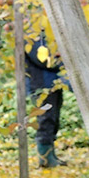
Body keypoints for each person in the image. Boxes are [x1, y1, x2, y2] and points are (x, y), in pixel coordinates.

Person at [24, 34, 69, 168]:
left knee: (53, 118)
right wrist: (63, 62)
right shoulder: (32, 36)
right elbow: (42, 59)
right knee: (46, 118)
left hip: (52, 81)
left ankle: (50, 154)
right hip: (41, 83)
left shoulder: (43, 32)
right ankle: (45, 158)